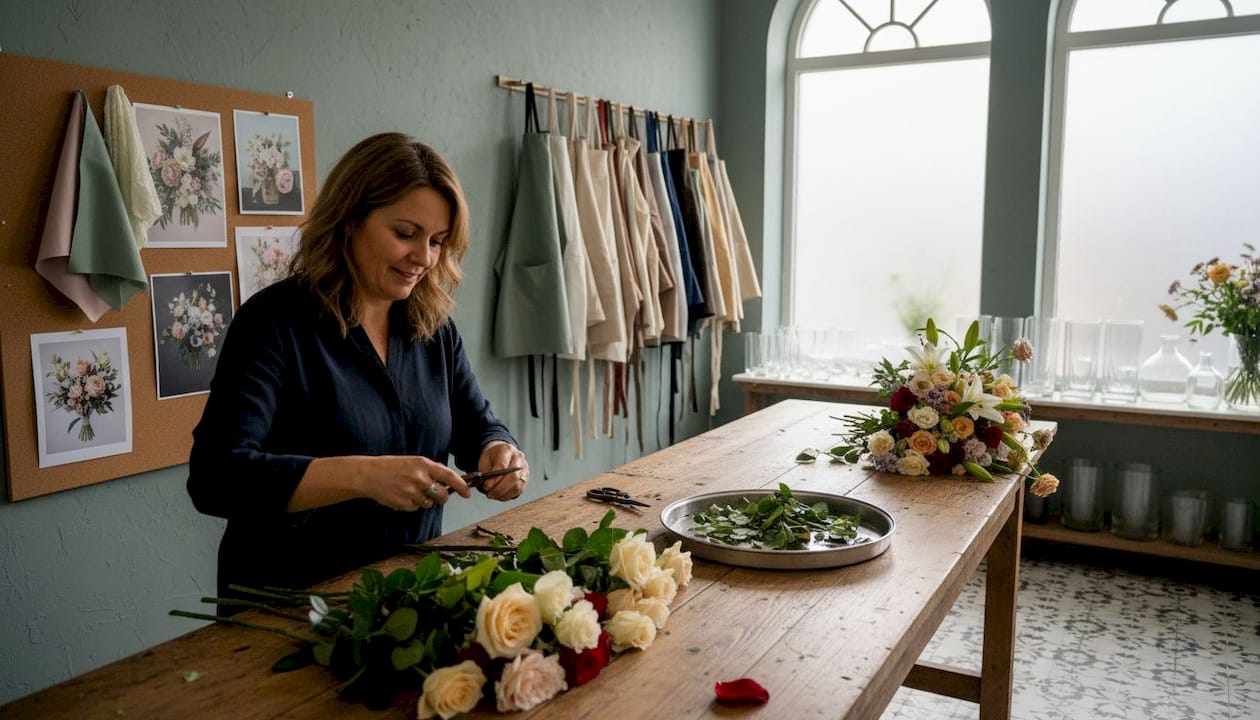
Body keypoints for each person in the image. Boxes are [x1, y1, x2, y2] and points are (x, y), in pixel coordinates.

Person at [188, 133, 528, 607]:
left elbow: (477, 425)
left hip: (406, 602)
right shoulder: (274, 323)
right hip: (286, 610)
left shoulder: (433, 329)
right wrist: (364, 476)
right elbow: (216, 478)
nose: (425, 258)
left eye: (437, 241)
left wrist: (499, 450)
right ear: (350, 219)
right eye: (406, 234)